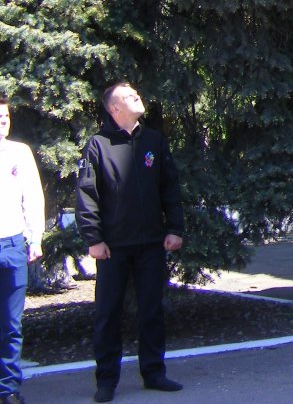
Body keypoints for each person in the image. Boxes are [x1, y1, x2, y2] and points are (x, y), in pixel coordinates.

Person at [76, 83, 185, 402]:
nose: (140, 97)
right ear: (114, 109)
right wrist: (93, 238)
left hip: (152, 242)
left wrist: (174, 228)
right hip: (113, 248)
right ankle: (106, 380)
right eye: (131, 96)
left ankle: (154, 372)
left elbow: (170, 187)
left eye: (139, 93)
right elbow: (86, 195)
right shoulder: (98, 144)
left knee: (152, 310)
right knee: (108, 313)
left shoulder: (153, 140)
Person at [0, 94, 44, 404]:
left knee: (10, 326)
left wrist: (35, 238)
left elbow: (33, 195)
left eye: (6, 117)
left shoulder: (19, 152)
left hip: (12, 245)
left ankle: (8, 390)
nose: (3, 122)